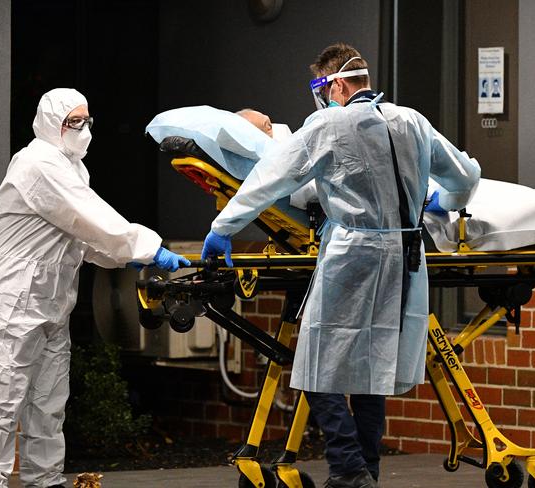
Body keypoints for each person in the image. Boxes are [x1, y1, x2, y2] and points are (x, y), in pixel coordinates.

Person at [201, 44, 480, 487]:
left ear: (336, 84)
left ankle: (349, 469)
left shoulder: (327, 125)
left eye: (322, 89)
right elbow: (466, 176)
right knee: (373, 365)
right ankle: (366, 470)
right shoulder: (412, 121)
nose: (323, 98)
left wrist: (223, 228)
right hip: (407, 256)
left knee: (314, 364)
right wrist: (447, 201)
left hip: (353, 254)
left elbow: (267, 181)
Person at [0, 88, 190, 488]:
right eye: (74, 121)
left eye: (87, 120)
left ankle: (45, 479)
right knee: (2, 401)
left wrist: (133, 256)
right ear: (50, 123)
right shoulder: (37, 163)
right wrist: (149, 247)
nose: (83, 129)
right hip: (12, 296)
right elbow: (90, 218)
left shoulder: (72, 169)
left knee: (49, 399)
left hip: (50, 298)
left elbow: (85, 240)